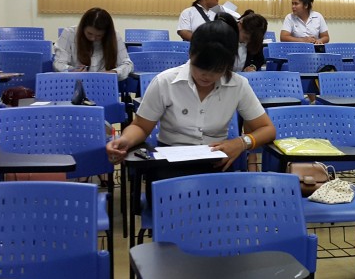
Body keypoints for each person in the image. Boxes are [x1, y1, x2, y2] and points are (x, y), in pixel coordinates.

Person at [106, 20, 276, 171]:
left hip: (216, 162)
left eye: (217, 70)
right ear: (190, 54)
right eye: (200, 67)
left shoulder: (238, 84)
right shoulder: (165, 82)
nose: (207, 76)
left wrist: (241, 143)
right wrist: (125, 140)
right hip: (171, 162)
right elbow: (141, 127)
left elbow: (268, 129)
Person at [54, 7, 133, 80]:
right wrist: (71, 70)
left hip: (104, 84)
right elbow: (58, 63)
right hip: (75, 83)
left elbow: (128, 64)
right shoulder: (69, 33)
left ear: (106, 33)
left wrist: (114, 72)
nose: (93, 38)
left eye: (99, 35)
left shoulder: (114, 36)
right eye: (89, 33)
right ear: (82, 28)